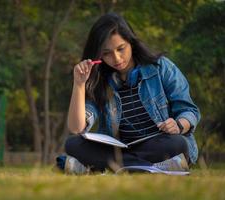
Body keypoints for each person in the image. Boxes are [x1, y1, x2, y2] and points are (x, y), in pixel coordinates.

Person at [61, 12, 200, 174]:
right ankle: (150, 167)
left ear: (131, 43)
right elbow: (77, 127)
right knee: (72, 144)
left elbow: (189, 111)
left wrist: (178, 125)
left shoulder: (161, 67)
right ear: (99, 55)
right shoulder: (99, 80)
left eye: (121, 48)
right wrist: (79, 84)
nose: (116, 58)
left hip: (159, 143)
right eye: (106, 53)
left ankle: (107, 167)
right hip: (119, 148)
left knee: (178, 144)